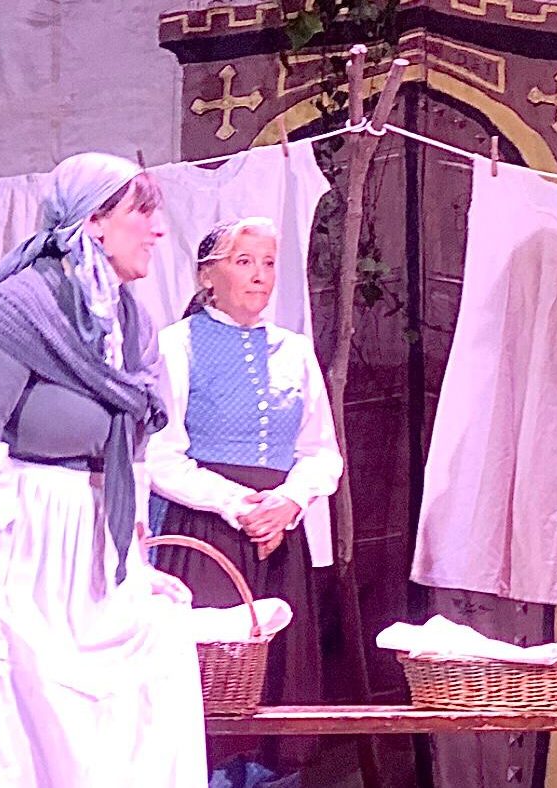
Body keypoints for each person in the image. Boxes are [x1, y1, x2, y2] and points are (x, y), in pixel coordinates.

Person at [0, 153, 207, 786]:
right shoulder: (19, 308)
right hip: (13, 543)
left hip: (87, 550)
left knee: (157, 651)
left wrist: (134, 566)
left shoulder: (129, 321)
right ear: (94, 222)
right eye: (142, 213)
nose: (159, 229)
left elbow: (130, 454)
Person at [146, 218, 341, 772]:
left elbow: (320, 451)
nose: (260, 275)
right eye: (244, 262)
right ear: (208, 276)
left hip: (279, 537)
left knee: (280, 679)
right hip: (204, 532)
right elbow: (160, 455)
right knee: (210, 681)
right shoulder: (176, 346)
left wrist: (290, 501)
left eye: (268, 263)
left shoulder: (294, 351)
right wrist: (238, 505)